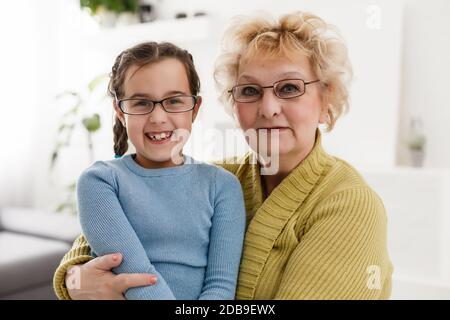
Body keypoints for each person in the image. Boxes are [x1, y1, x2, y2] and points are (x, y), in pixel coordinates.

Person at [53, 11, 393, 300]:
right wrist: (74, 280)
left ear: (326, 98)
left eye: (289, 88)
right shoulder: (219, 178)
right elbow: (102, 237)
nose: (269, 108)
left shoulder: (350, 205)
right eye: (249, 91)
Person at [65, 41, 246, 300]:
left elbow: (220, 287)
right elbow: (137, 276)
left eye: (173, 101)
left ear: (194, 109)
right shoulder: (100, 181)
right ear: (119, 111)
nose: (158, 117)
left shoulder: (222, 186)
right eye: (141, 103)